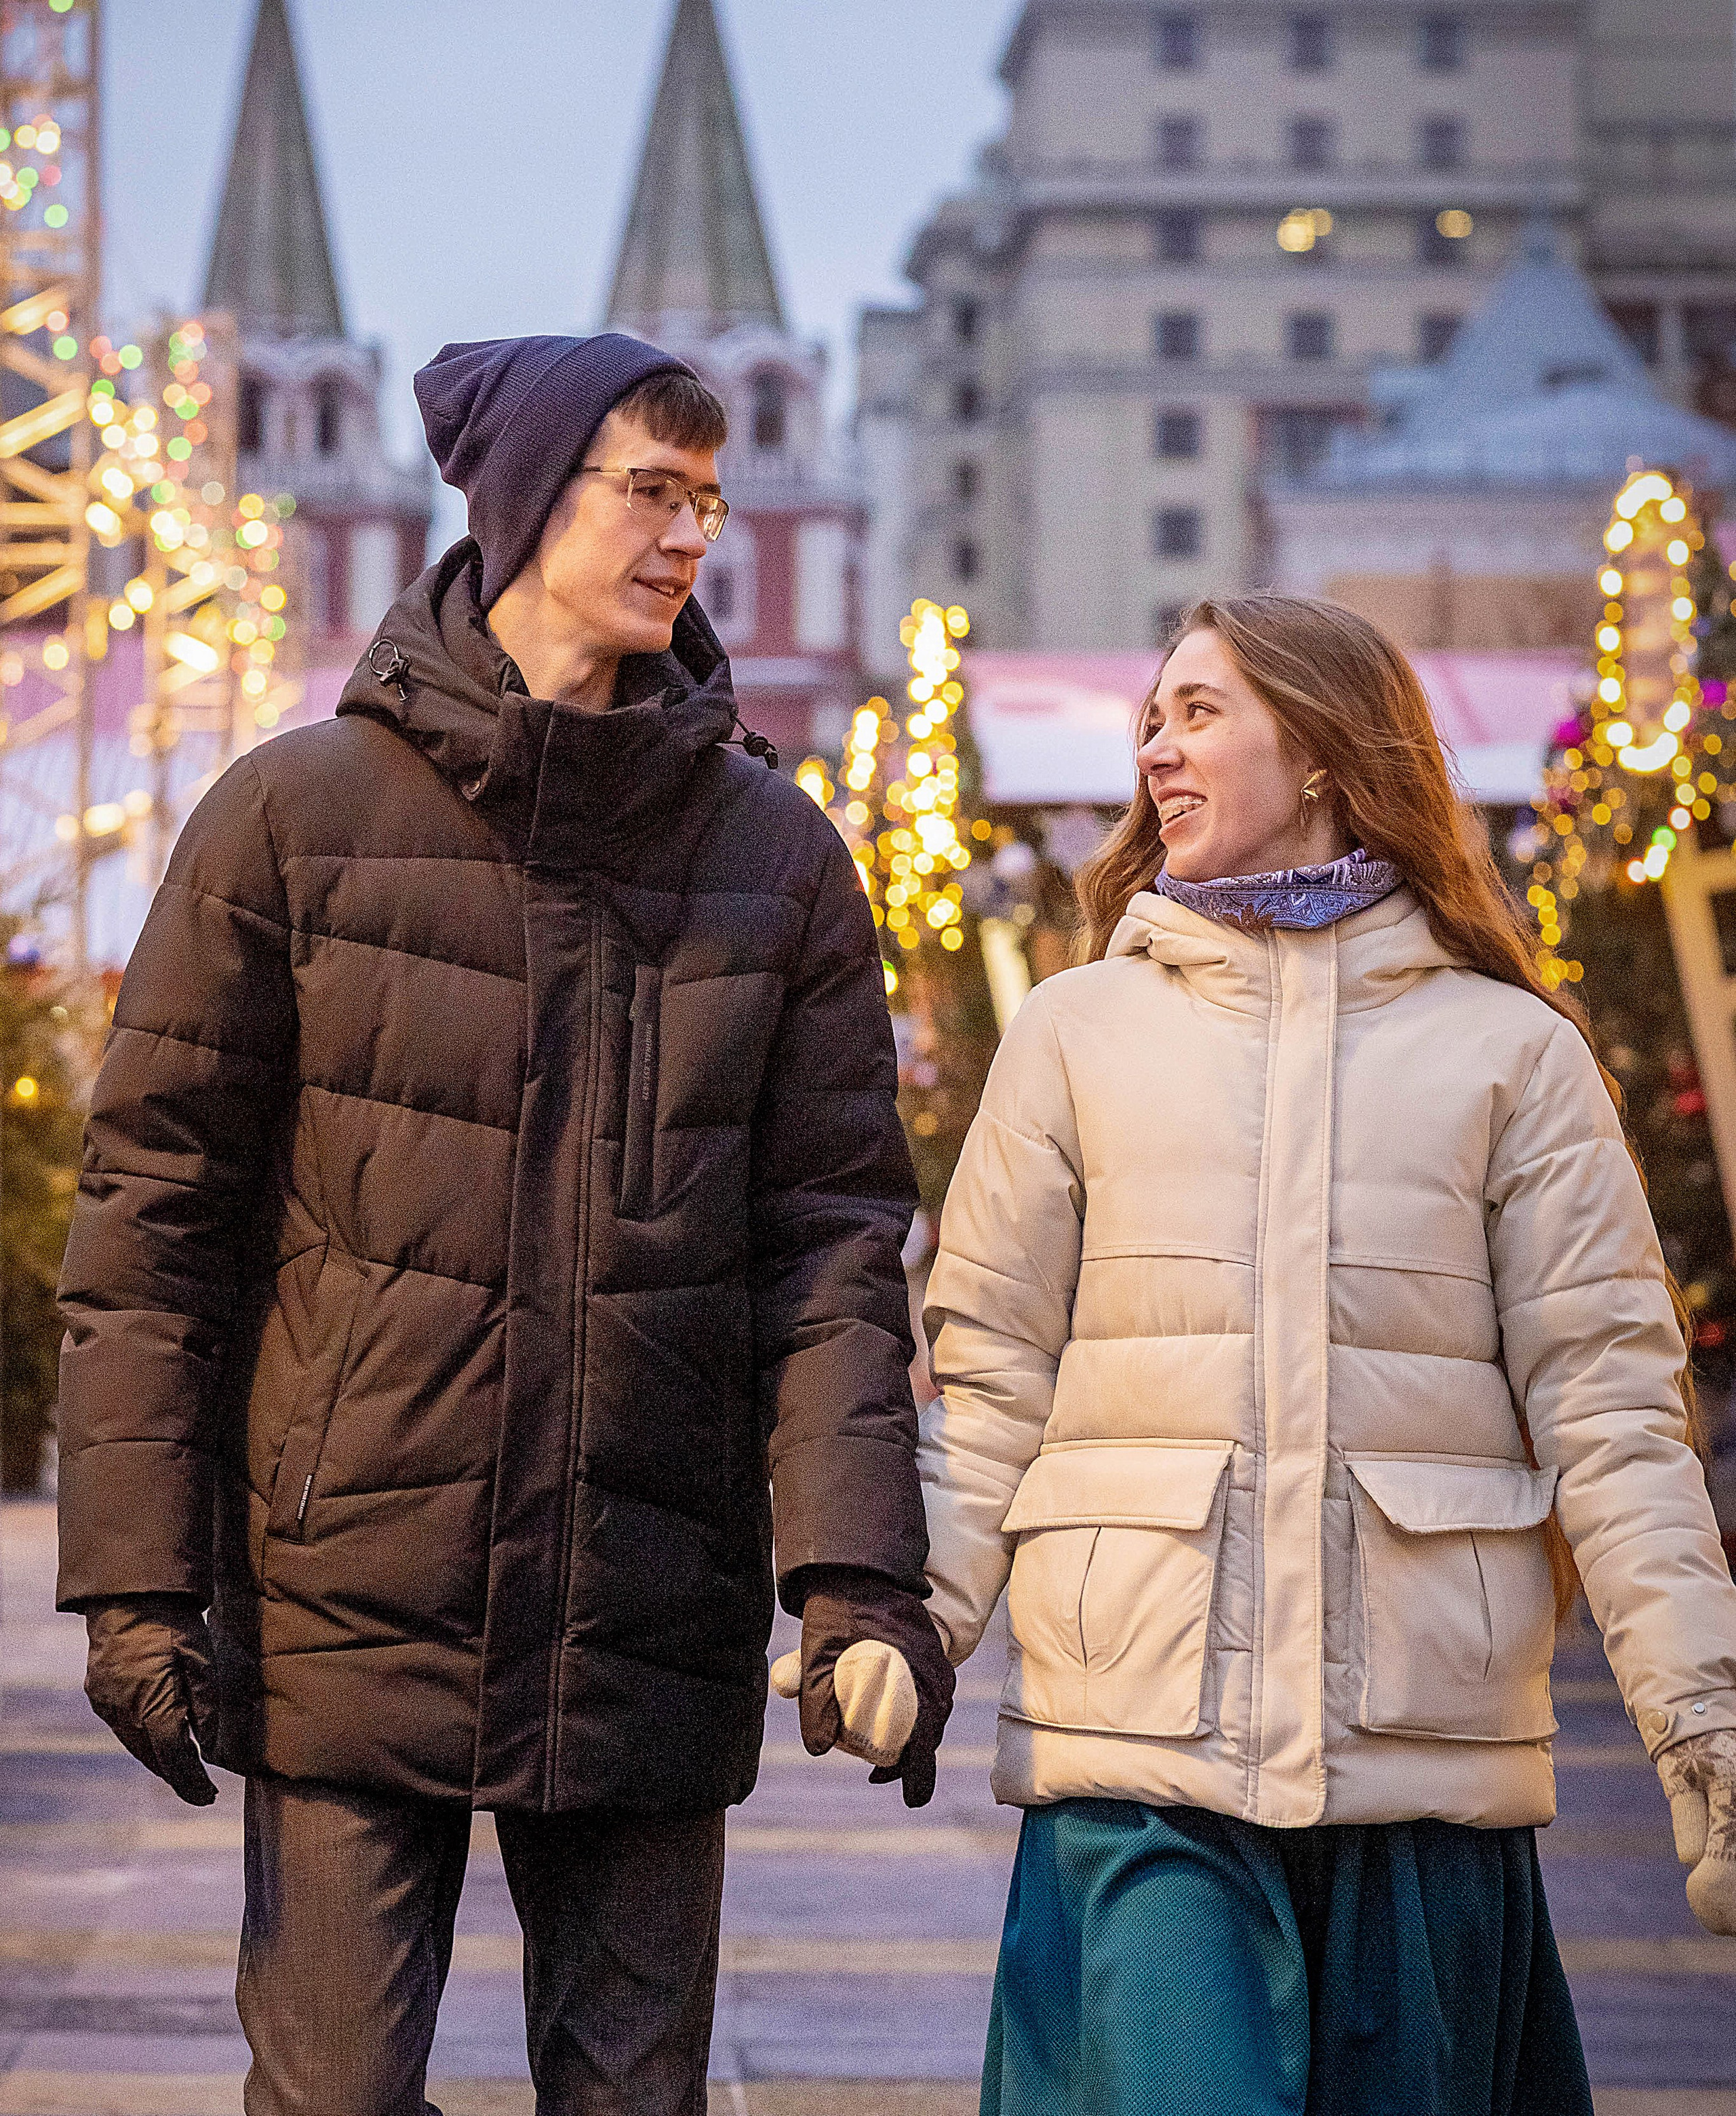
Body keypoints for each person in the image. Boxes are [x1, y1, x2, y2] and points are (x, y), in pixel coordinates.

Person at [56, 331, 953, 2116]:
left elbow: (835, 1252)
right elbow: (154, 1226)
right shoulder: (293, 821)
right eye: (652, 489)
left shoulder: (777, 860)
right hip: (349, 1591)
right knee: (331, 2101)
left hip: (647, 1593)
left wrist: (860, 1582)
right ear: (527, 499)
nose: (694, 531)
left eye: (711, 496)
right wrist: (137, 1588)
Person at [916, 593, 1736, 2116]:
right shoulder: (1073, 1034)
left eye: (1198, 711)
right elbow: (988, 1388)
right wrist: (908, 1624)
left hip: (1419, 1763)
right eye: (1149, 718)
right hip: (1138, 1758)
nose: (1156, 749)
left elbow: (1612, 1418)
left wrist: (1702, 1720)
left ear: (1320, 749)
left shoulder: (1510, 1053)